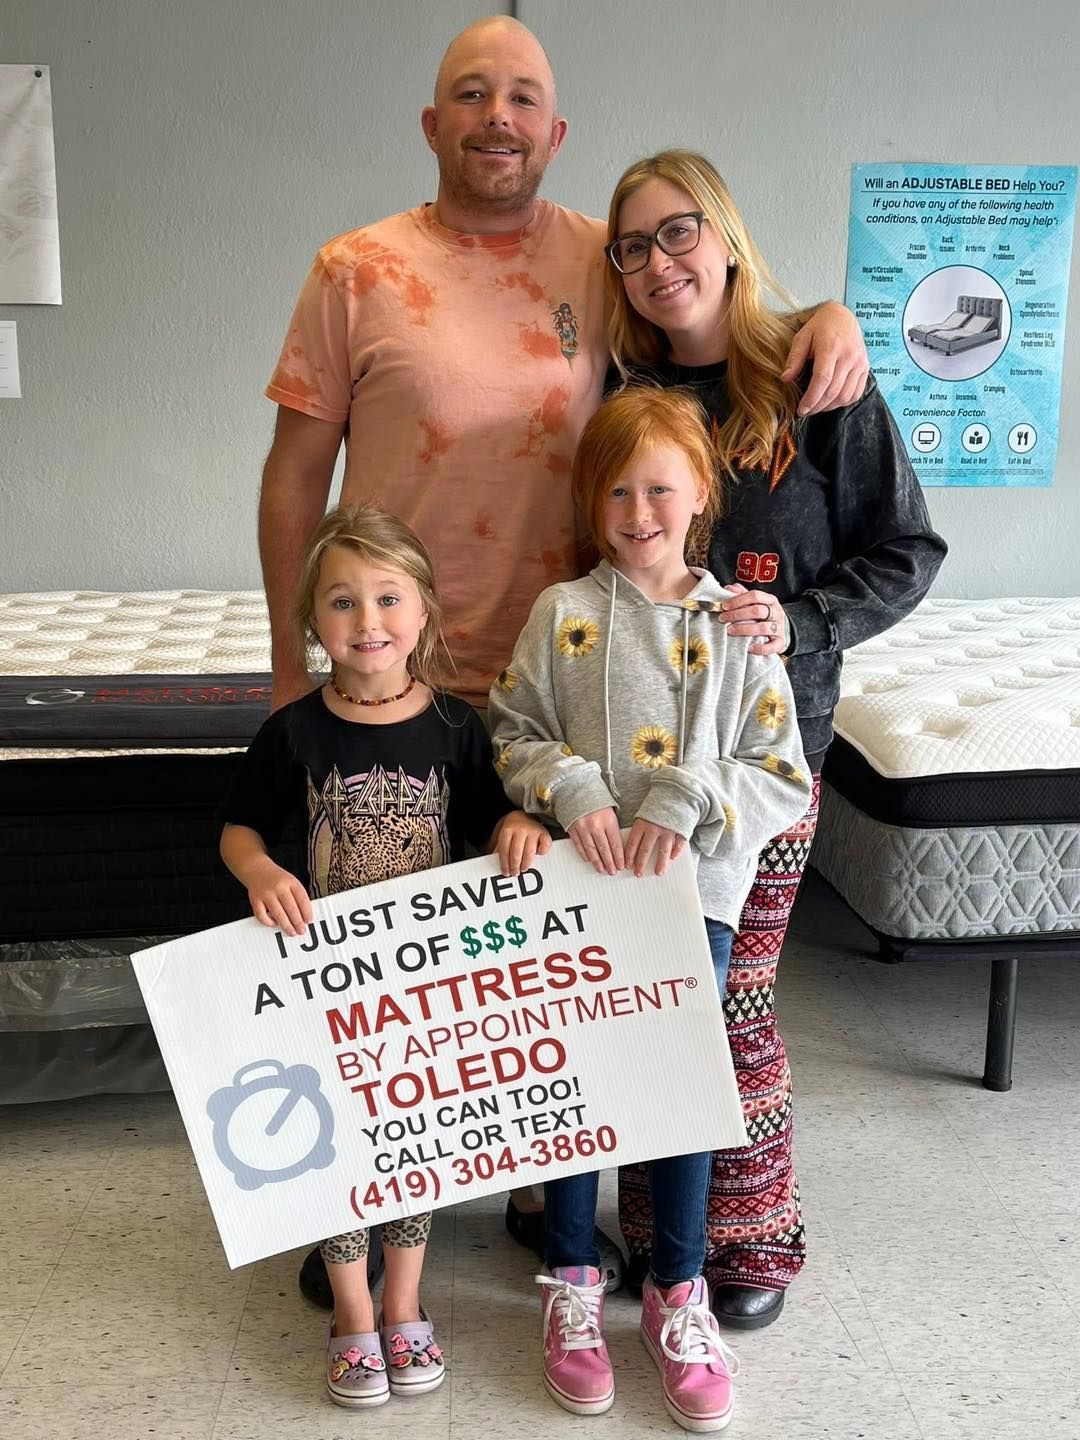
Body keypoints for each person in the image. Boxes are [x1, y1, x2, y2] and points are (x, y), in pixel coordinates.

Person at [260, 15, 870, 1297]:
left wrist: (832, 310)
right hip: (398, 681)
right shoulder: (356, 268)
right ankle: (368, 1231)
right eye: (469, 93)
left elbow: (715, 298)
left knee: (578, 995)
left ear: (555, 132)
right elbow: (292, 477)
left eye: (523, 96)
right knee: (392, 988)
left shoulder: (603, 258)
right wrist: (285, 672)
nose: (496, 115)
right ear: (433, 124)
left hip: (574, 685)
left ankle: (590, 1226)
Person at [603, 149, 948, 1329]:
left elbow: (907, 550)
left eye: (678, 231)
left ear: (729, 234)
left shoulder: (818, 380)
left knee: (730, 1001)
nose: (659, 262)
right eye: (633, 246)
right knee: (649, 996)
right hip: (631, 768)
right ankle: (655, 1226)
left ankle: (749, 1235)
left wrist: (802, 623)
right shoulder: (618, 395)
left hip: (765, 759)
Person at [488, 386, 813, 1431]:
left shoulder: (739, 628)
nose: (639, 511)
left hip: (694, 900)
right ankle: (573, 1285)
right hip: (580, 896)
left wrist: (690, 793)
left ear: (700, 496)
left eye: (660, 490)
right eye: (618, 491)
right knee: (580, 1084)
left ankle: (680, 1292)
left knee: (674, 1088)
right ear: (592, 500)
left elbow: (782, 774)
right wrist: (572, 788)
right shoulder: (563, 615)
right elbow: (513, 729)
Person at [220, 504, 550, 1408]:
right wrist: (257, 871)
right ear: (311, 623)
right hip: (325, 986)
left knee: (414, 1145)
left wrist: (519, 822)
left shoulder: (456, 727)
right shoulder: (292, 732)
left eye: (387, 598)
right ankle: (353, 1313)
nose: (367, 622)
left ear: (424, 611)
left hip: (423, 993)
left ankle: (405, 1300)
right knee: (339, 1149)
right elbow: (238, 829)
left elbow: (492, 820)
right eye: (341, 602)